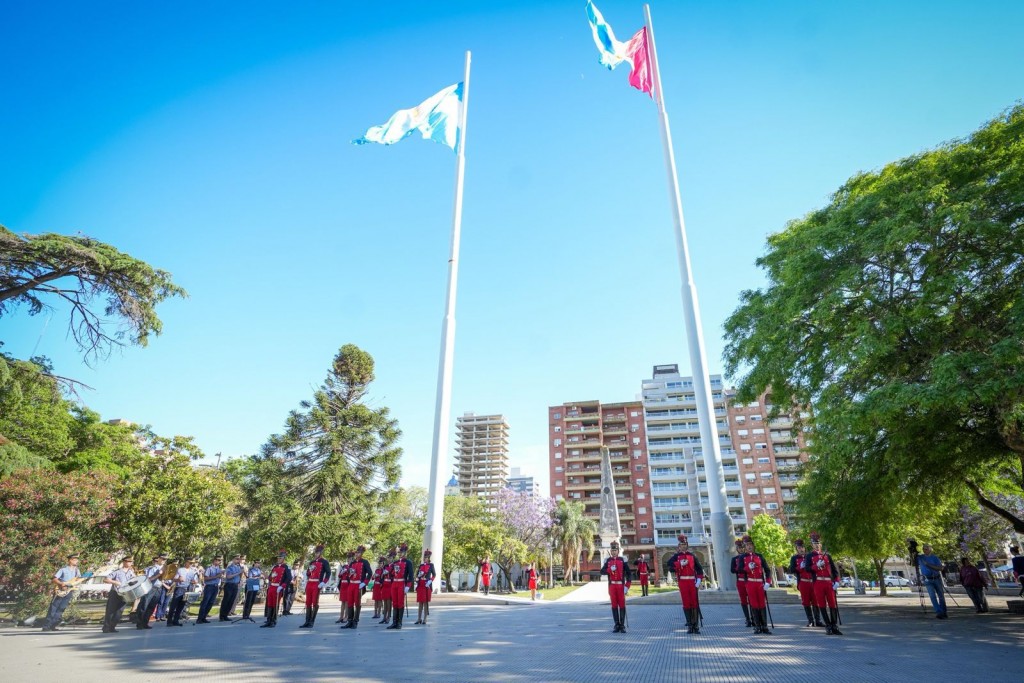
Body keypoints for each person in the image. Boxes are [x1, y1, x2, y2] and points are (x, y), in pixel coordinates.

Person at [804, 532, 843, 635]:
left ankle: (834, 625)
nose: (817, 545)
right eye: (814, 543)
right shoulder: (809, 556)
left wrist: (837, 581)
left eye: (818, 543)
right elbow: (807, 569)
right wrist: (816, 566)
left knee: (832, 604)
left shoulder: (827, 555)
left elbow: (834, 570)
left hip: (829, 582)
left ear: (820, 544)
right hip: (818, 582)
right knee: (822, 604)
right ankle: (828, 625)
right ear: (812, 545)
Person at [665, 534, 704, 634]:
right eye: (682, 544)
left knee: (694, 603)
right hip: (682, 582)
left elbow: (699, 569)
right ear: (679, 545)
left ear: (687, 545)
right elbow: (669, 565)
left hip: (692, 582)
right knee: (686, 603)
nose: (683, 546)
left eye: (685, 544)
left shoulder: (692, 556)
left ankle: (696, 626)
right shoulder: (676, 556)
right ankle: (690, 625)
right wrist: (679, 564)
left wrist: (699, 580)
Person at [41, 553, 83, 631]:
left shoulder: (77, 570)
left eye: (77, 560)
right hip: (61, 590)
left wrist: (82, 579)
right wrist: (61, 584)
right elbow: (54, 579)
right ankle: (46, 626)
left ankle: (53, 625)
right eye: (75, 560)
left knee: (61, 608)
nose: (76, 561)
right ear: (70, 560)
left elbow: (78, 580)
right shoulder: (63, 569)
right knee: (54, 608)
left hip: (69, 591)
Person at [742, 536, 773, 635]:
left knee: (762, 604)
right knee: (754, 604)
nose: (749, 546)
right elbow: (739, 569)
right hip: (750, 583)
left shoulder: (759, 556)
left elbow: (767, 570)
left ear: (753, 545)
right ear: (745, 547)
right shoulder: (742, 557)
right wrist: (747, 568)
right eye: (747, 545)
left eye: (750, 544)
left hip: (760, 583)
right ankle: (757, 626)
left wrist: (768, 582)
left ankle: (764, 626)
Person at [788, 539, 822, 628]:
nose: (801, 549)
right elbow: (791, 570)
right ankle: (810, 621)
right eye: (799, 548)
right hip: (803, 582)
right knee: (806, 602)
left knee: (816, 601)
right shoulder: (794, 558)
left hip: (812, 581)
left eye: (802, 547)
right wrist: (799, 567)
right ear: (797, 549)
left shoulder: (809, 556)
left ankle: (818, 620)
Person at [600, 540, 631, 633]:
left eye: (615, 550)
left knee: (622, 605)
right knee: (614, 605)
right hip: (612, 586)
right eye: (612, 551)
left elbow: (629, 574)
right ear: (611, 551)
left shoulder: (623, 560)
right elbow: (602, 571)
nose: (614, 552)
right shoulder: (608, 561)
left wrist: (627, 586)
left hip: (621, 586)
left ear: (618, 551)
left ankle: (622, 625)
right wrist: (610, 569)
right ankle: (616, 625)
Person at [300, 544, 331, 629]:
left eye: (317, 552)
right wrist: (310, 571)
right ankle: (307, 621)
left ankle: (311, 622)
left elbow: (328, 573)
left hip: (317, 583)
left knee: (314, 602)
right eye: (315, 552)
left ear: (321, 553)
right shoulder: (312, 562)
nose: (316, 554)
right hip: (310, 583)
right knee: (308, 602)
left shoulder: (324, 562)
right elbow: (308, 574)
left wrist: (323, 582)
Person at [102, 556, 136, 633]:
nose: (130, 563)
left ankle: (112, 627)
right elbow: (105, 579)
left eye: (131, 562)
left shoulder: (131, 572)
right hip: (115, 593)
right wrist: (115, 582)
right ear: (124, 562)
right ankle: (106, 628)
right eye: (128, 561)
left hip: (125, 594)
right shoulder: (117, 572)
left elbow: (134, 582)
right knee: (110, 611)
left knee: (119, 612)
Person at [261, 551, 292, 628]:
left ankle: (273, 621)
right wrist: (267, 576)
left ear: (283, 559)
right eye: (278, 558)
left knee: (275, 604)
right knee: (270, 604)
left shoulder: (286, 567)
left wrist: (282, 586)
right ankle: (268, 620)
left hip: (278, 587)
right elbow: (271, 577)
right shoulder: (275, 567)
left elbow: (289, 578)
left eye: (280, 558)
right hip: (272, 587)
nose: (278, 559)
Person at [137, 554, 167, 629]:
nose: (164, 560)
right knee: (144, 605)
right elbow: (149, 579)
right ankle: (139, 623)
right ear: (159, 559)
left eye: (165, 559)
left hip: (158, 588)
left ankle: (145, 623)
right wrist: (158, 574)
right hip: (150, 587)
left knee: (152, 607)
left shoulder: (165, 568)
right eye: (162, 559)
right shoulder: (152, 568)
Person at [917, 544, 948, 619]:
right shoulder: (920, 557)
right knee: (932, 596)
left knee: (941, 595)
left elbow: (940, 568)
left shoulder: (935, 558)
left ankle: (943, 611)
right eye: (923, 549)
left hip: (936, 578)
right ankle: (939, 612)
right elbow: (912, 562)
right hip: (927, 579)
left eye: (926, 549)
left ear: (930, 549)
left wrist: (928, 565)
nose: (924, 550)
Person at [387, 543, 413, 630]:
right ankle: (394, 622)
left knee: (400, 603)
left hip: (402, 583)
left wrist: (408, 586)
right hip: (394, 583)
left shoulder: (408, 562)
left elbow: (411, 576)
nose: (400, 554)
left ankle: (399, 623)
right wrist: (393, 571)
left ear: (405, 553)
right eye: (400, 552)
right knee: (394, 603)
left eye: (402, 552)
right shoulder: (395, 562)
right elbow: (391, 574)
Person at [345, 545, 372, 629]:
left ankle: (355, 621)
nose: (357, 554)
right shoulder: (352, 563)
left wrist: (364, 583)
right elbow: (348, 574)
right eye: (356, 552)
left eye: (359, 553)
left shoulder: (365, 562)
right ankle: (349, 621)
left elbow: (370, 573)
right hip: (351, 585)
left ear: (362, 553)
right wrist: (349, 576)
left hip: (358, 585)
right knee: (350, 603)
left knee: (357, 603)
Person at [167, 557, 199, 626]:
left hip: (187, 589)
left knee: (181, 606)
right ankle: (169, 621)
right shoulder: (180, 570)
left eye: (192, 563)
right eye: (190, 563)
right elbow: (174, 579)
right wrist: (178, 579)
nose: (191, 564)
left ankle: (176, 620)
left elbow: (192, 580)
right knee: (174, 605)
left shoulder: (192, 571)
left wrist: (194, 581)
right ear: (186, 562)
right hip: (179, 588)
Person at [729, 538, 752, 628]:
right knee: (743, 600)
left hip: (749, 580)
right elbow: (732, 570)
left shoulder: (748, 557)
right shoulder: (734, 559)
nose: (741, 549)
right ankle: (747, 619)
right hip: (740, 581)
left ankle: (754, 617)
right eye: (739, 548)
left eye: (742, 547)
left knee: (751, 600)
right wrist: (739, 569)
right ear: (737, 549)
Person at [196, 556, 224, 624]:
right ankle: (199, 618)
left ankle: (204, 617)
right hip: (209, 586)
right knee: (205, 602)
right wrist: (216, 576)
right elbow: (206, 578)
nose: (220, 562)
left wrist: (221, 576)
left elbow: (220, 577)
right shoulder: (209, 568)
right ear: (214, 561)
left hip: (216, 586)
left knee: (211, 602)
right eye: (218, 560)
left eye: (220, 560)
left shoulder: (219, 569)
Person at [414, 549, 437, 625]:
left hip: (426, 585)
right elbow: (417, 575)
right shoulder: (421, 565)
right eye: (424, 557)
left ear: (428, 558)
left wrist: (430, 581)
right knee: (420, 602)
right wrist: (417, 577)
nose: (424, 558)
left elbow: (434, 575)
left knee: (425, 603)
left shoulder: (431, 565)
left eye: (426, 557)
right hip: (420, 585)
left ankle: (425, 618)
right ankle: (419, 618)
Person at [219, 555, 243, 621]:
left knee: (231, 601)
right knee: (226, 600)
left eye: (239, 559)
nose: (238, 560)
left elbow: (240, 576)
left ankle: (226, 615)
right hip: (229, 585)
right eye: (236, 559)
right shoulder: (230, 567)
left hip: (235, 585)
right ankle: (222, 616)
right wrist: (238, 572)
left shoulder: (238, 567)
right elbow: (228, 576)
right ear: (233, 560)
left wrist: (241, 573)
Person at [380, 548, 395, 624]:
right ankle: (384, 617)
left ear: (393, 559)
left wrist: (389, 573)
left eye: (390, 558)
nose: (389, 559)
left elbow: (394, 575)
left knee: (389, 602)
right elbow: (381, 576)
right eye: (388, 558)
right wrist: (381, 582)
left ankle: (388, 617)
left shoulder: (394, 566)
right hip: (385, 585)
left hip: (390, 585)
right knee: (384, 602)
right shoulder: (385, 566)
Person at [335, 552, 351, 625]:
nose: (348, 560)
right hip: (343, 585)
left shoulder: (352, 566)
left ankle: (346, 617)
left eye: (350, 559)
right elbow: (339, 576)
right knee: (342, 602)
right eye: (348, 559)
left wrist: (348, 571)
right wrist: (341, 572)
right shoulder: (344, 566)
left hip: (348, 585)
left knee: (347, 602)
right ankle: (341, 617)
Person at [371, 555, 386, 619]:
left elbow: (383, 579)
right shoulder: (376, 570)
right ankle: (375, 613)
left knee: (379, 600)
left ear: (383, 564)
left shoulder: (383, 570)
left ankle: (379, 614)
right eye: (379, 563)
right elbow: (372, 578)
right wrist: (374, 576)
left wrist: (379, 576)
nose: (380, 565)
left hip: (380, 586)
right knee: (375, 600)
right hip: (375, 586)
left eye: (381, 563)